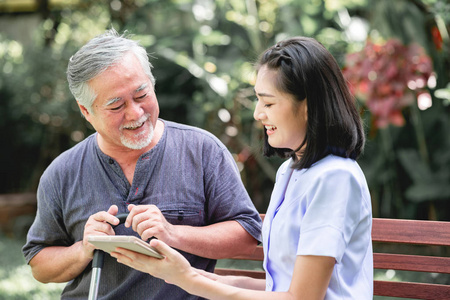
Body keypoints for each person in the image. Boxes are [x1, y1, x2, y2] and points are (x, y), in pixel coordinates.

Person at [111, 36, 374, 299]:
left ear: (308, 106)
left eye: (268, 103)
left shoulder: (336, 178)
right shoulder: (291, 171)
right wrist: (173, 272)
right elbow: (278, 289)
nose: (258, 113)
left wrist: (189, 279)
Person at [22, 29, 262, 299]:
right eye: (116, 106)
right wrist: (83, 248)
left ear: (152, 83)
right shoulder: (61, 173)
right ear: (86, 111)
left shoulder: (203, 151)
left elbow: (248, 235)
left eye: (141, 95)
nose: (135, 113)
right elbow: (40, 266)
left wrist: (173, 233)